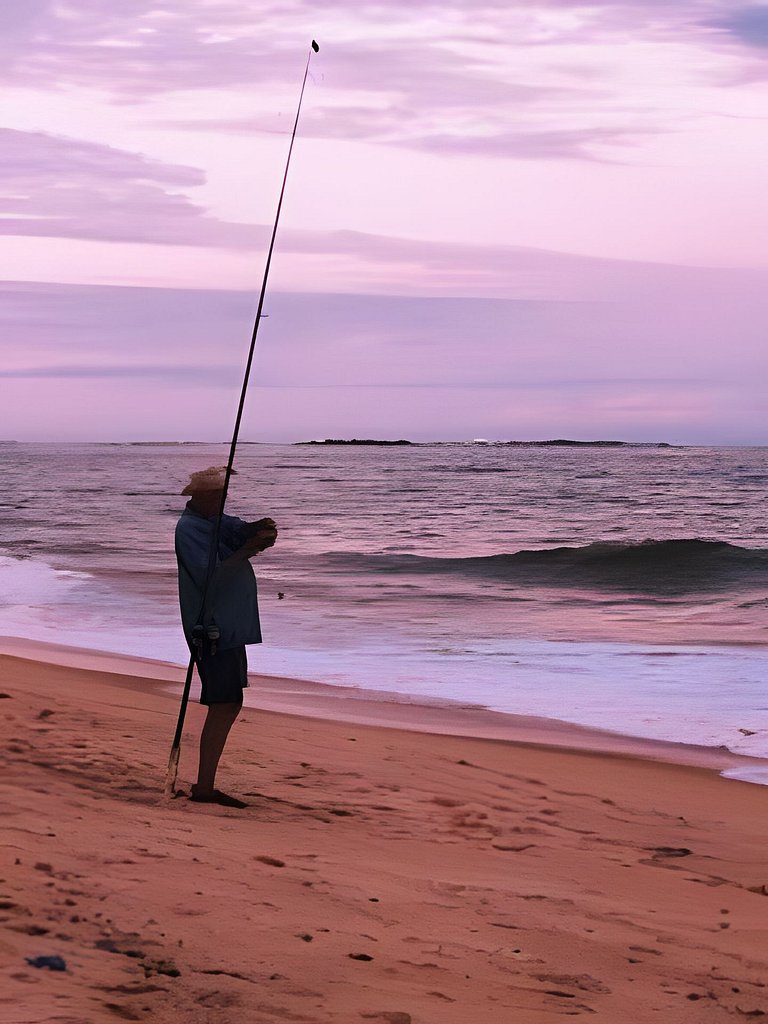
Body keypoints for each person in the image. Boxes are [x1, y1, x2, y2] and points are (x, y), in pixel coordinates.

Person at [175, 466, 277, 808]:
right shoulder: (189, 529)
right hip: (212, 630)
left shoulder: (213, 521)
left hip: (230, 626)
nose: (224, 500)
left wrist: (260, 531)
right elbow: (212, 579)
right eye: (218, 495)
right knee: (224, 702)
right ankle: (204, 787)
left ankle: (206, 783)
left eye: (225, 494)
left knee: (229, 701)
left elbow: (240, 531)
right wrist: (247, 550)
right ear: (201, 497)